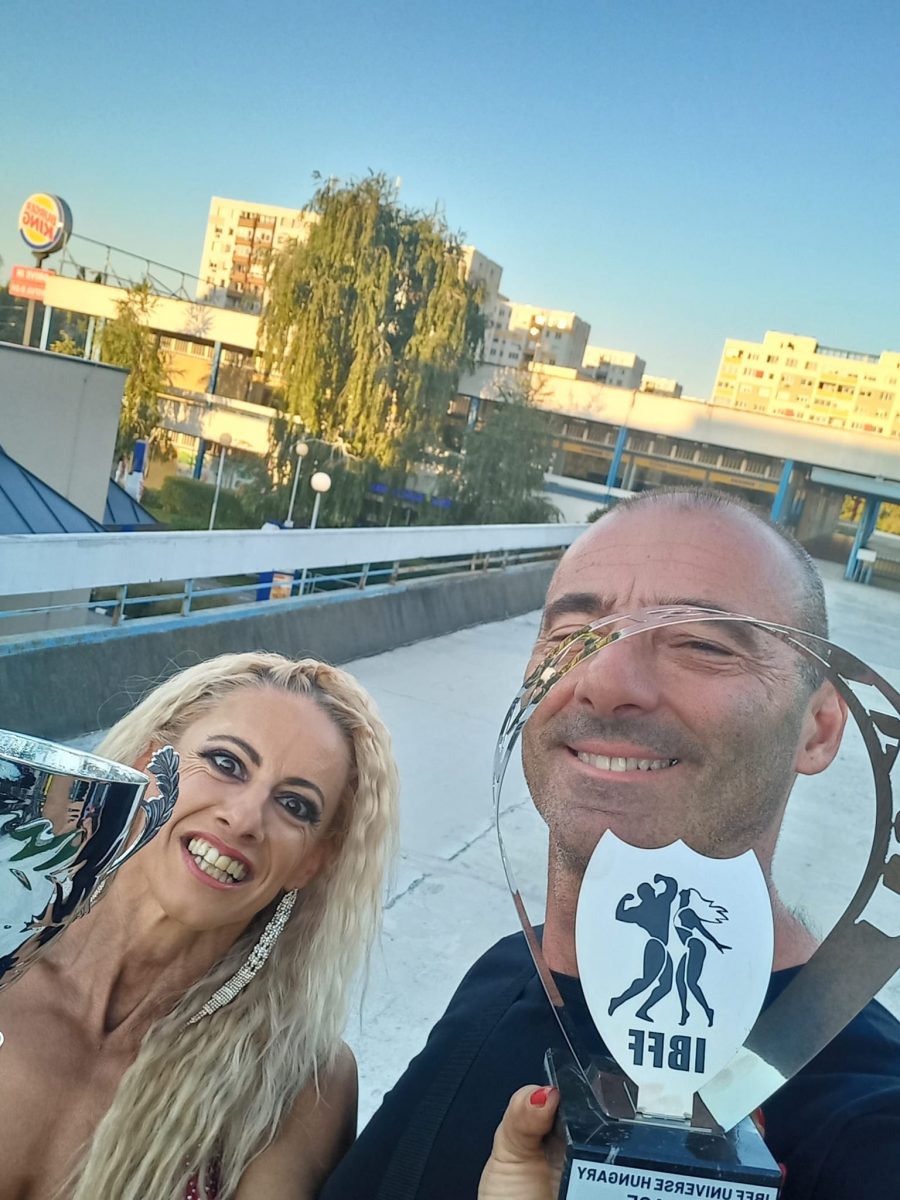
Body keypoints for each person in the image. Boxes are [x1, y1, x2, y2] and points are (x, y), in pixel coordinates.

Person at [320, 488, 900, 1200]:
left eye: (701, 645)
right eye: (574, 633)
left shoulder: (869, 1119)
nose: (602, 680)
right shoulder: (508, 971)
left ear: (819, 728)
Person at [0, 651, 399, 1200]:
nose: (244, 819)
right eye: (226, 763)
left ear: (312, 862)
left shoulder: (297, 1087)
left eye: (295, 805)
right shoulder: (7, 943)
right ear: (149, 763)